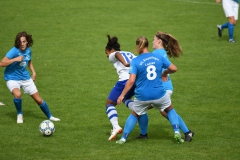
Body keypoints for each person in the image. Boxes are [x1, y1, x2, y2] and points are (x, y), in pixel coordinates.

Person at [116, 36, 188, 144]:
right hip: (159, 94)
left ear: (137, 46)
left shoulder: (135, 61)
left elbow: (131, 81)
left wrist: (122, 95)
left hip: (142, 96)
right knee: (170, 109)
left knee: (135, 114)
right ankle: (177, 131)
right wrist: (164, 73)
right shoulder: (157, 57)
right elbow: (174, 68)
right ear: (148, 45)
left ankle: (123, 138)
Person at [133, 32, 194, 142]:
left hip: (162, 88)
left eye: (154, 39)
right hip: (165, 86)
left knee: (142, 108)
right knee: (164, 110)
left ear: (159, 41)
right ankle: (143, 134)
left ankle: (186, 131)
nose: (152, 41)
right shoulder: (161, 52)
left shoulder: (157, 54)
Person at [0, 31, 60, 123]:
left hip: (25, 78)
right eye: (20, 42)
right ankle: (19, 114)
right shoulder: (14, 51)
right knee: (18, 94)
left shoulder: (28, 50)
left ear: (27, 41)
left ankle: (50, 116)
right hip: (12, 78)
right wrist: (16, 59)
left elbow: (29, 61)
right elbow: (2, 63)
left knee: (39, 100)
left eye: (24, 41)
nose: (22, 44)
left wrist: (34, 72)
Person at [105, 34, 149, 141]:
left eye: (106, 53)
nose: (107, 56)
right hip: (136, 81)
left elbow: (116, 54)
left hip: (125, 81)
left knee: (109, 103)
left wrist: (125, 63)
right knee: (126, 99)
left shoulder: (113, 54)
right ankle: (144, 133)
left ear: (110, 49)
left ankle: (116, 127)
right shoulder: (129, 53)